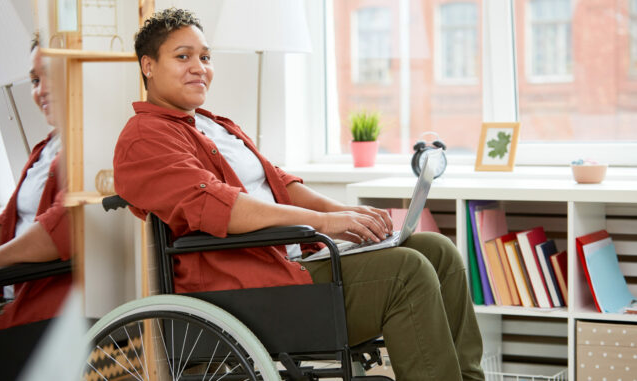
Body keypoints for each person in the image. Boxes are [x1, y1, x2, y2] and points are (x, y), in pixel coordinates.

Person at [113, 8, 484, 380]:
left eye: (205, 57)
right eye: (183, 57)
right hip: (252, 288)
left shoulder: (216, 125)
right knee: (408, 273)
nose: (199, 67)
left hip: (290, 262)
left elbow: (283, 185)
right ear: (148, 66)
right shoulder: (146, 137)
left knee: (440, 252)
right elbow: (222, 207)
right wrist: (325, 223)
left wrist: (351, 217)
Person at [0, 35, 71, 332]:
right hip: (7, 293)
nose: (41, 89)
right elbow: (8, 222)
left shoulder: (91, 147)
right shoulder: (45, 148)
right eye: (35, 80)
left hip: (51, 308)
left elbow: (55, 231)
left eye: (51, 73)